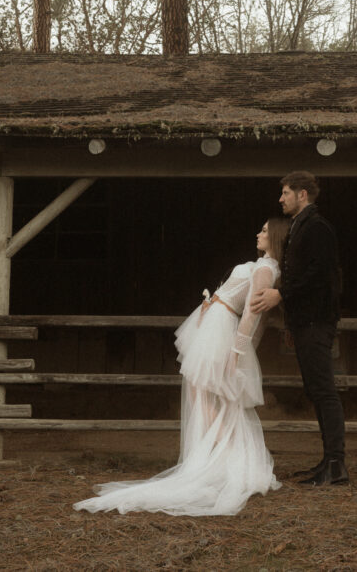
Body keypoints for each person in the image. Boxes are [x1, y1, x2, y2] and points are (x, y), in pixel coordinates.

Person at [73, 218, 290, 516]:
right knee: (202, 393)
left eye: (264, 230)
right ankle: (216, 456)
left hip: (222, 327)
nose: (258, 233)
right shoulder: (263, 265)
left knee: (206, 394)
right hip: (216, 320)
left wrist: (239, 350)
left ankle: (221, 457)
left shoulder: (266, 269)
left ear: (276, 236)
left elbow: (255, 314)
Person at [250, 171, 347, 486]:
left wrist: (281, 294)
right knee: (316, 390)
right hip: (305, 321)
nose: (281, 198)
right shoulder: (301, 227)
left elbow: (319, 274)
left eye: (286, 193)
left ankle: (336, 465)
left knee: (324, 390)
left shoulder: (318, 228)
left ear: (302, 194)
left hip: (317, 320)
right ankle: (328, 462)